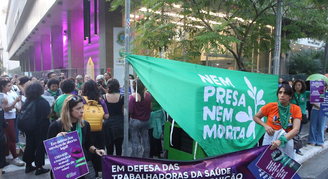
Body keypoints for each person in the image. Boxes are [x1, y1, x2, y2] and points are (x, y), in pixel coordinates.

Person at [47, 95, 106, 179]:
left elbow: (88, 144)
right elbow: (49, 152)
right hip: (65, 167)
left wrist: (96, 150)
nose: (82, 111)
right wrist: (56, 140)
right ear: (69, 110)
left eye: (82, 108)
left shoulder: (85, 125)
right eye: (78, 109)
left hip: (82, 165)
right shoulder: (56, 126)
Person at [253, 84, 302, 159]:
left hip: (286, 137)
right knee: (266, 164)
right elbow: (256, 117)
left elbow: (296, 129)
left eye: (285, 93)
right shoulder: (270, 106)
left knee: (286, 166)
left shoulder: (296, 109)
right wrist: (266, 126)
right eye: (280, 92)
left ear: (290, 96)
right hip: (270, 137)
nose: (282, 95)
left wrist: (280, 140)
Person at [22, 81, 51, 175]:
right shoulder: (42, 102)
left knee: (29, 144)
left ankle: (28, 165)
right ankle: (39, 167)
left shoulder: (27, 101)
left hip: (29, 127)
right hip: (41, 127)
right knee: (40, 147)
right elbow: (48, 115)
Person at [81, 80, 109, 177]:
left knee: (87, 149)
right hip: (99, 130)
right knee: (99, 150)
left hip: (85, 130)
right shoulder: (100, 100)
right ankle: (99, 172)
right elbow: (106, 116)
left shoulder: (82, 100)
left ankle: (89, 172)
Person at [0, 79, 24, 166]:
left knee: (9, 138)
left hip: (14, 116)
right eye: (8, 86)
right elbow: (5, 109)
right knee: (12, 138)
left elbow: (18, 101)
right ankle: (15, 158)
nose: (11, 87)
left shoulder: (11, 93)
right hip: (7, 118)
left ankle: (7, 155)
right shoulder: (2, 96)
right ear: (3, 87)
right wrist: (15, 102)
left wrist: (18, 106)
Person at [129, 78, 152, 158]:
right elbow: (151, 108)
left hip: (135, 121)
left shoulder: (132, 97)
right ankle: (146, 158)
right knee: (146, 141)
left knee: (135, 141)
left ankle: (135, 159)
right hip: (146, 121)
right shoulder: (148, 96)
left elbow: (131, 111)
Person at [103, 78, 124, 156]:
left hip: (108, 123)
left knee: (109, 147)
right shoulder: (122, 97)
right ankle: (119, 165)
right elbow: (123, 112)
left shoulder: (103, 97)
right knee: (119, 147)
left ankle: (109, 164)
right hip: (119, 123)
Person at [290, 79, 310, 155]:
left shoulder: (305, 93)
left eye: (300, 85)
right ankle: (290, 147)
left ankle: (297, 148)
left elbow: (318, 92)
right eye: (296, 85)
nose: (298, 87)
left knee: (298, 132)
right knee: (290, 131)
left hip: (301, 116)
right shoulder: (291, 94)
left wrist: (318, 83)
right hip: (292, 116)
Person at [308, 83, 328, 147]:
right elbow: (312, 102)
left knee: (321, 126)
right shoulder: (315, 92)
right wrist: (319, 107)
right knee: (313, 125)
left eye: (324, 86)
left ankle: (320, 141)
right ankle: (312, 140)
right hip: (315, 110)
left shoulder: (326, 93)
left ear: (325, 87)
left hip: (324, 111)